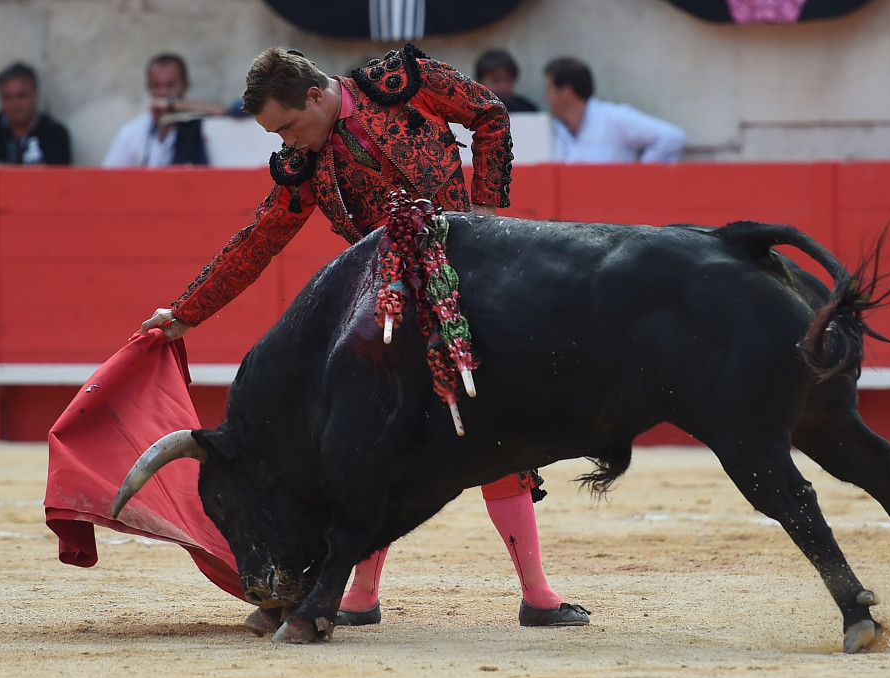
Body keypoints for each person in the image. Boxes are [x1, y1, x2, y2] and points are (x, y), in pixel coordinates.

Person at [137, 45, 590, 628]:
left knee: (491, 430)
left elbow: (489, 114)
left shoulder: (402, 81)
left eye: (290, 127)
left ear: (316, 95)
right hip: (387, 307)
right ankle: (359, 595)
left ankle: (538, 594)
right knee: (370, 442)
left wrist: (485, 224)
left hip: (467, 283)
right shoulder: (306, 164)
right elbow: (257, 241)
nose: (289, 144)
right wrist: (185, 312)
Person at [543, 56, 686, 163]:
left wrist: (640, 177)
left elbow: (672, 136)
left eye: (550, 90)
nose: (546, 97)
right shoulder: (549, 128)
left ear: (567, 92)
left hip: (615, 201)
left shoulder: (614, 118)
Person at [102, 53, 227, 167]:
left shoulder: (199, 125)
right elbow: (108, 178)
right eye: (156, 86)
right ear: (148, 87)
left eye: (170, 85)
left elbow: (223, 112)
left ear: (186, 86)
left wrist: (173, 105)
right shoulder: (132, 132)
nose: (163, 93)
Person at [0, 62, 71, 165]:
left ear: (35, 95)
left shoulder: (55, 133)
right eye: (7, 97)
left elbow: (58, 176)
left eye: (22, 95)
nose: (15, 104)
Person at [475, 49, 539, 113]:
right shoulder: (470, 111)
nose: (503, 87)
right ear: (479, 84)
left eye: (509, 80)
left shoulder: (528, 111)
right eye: (495, 81)